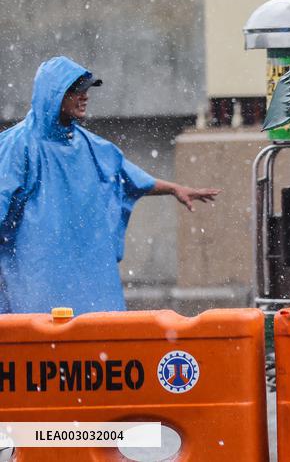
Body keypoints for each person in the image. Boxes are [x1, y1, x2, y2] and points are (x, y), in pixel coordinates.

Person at [0, 56, 221, 314]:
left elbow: (128, 177)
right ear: (53, 94)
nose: (84, 96)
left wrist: (174, 188)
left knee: (96, 336)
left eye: (86, 89)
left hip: (89, 281)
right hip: (35, 278)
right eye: (76, 90)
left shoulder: (91, 146)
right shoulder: (18, 145)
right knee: (42, 343)